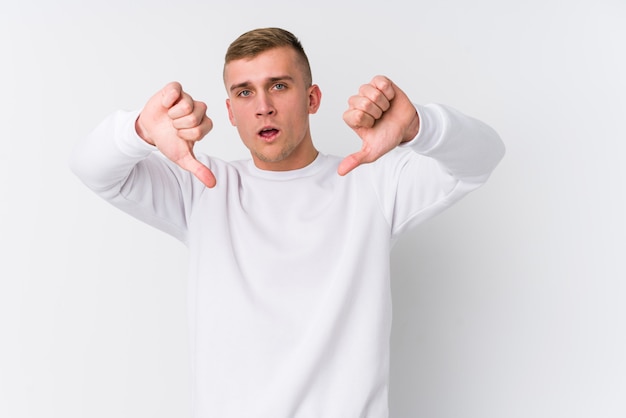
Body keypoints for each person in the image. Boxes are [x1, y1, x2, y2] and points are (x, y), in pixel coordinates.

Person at [70, 27, 505, 418]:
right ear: (230, 109)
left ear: (312, 98)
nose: (263, 107)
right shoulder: (203, 188)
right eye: (244, 92)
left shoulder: (370, 186)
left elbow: (483, 158)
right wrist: (141, 130)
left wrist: (418, 127)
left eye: (279, 86)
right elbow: (92, 168)